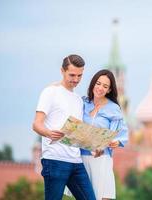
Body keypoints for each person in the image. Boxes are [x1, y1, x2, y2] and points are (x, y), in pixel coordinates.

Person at [32, 54, 96, 200]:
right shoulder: (50, 92)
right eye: (72, 75)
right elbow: (36, 124)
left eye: (80, 75)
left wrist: (94, 145)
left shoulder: (78, 100)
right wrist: (48, 133)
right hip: (55, 160)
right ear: (62, 71)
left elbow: (77, 132)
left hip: (76, 162)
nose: (76, 79)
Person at [81, 69, 128, 200]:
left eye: (105, 86)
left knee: (102, 196)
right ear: (93, 84)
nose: (100, 88)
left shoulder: (113, 109)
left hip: (101, 159)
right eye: (98, 83)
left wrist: (115, 142)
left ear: (109, 90)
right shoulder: (83, 103)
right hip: (81, 159)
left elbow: (121, 134)